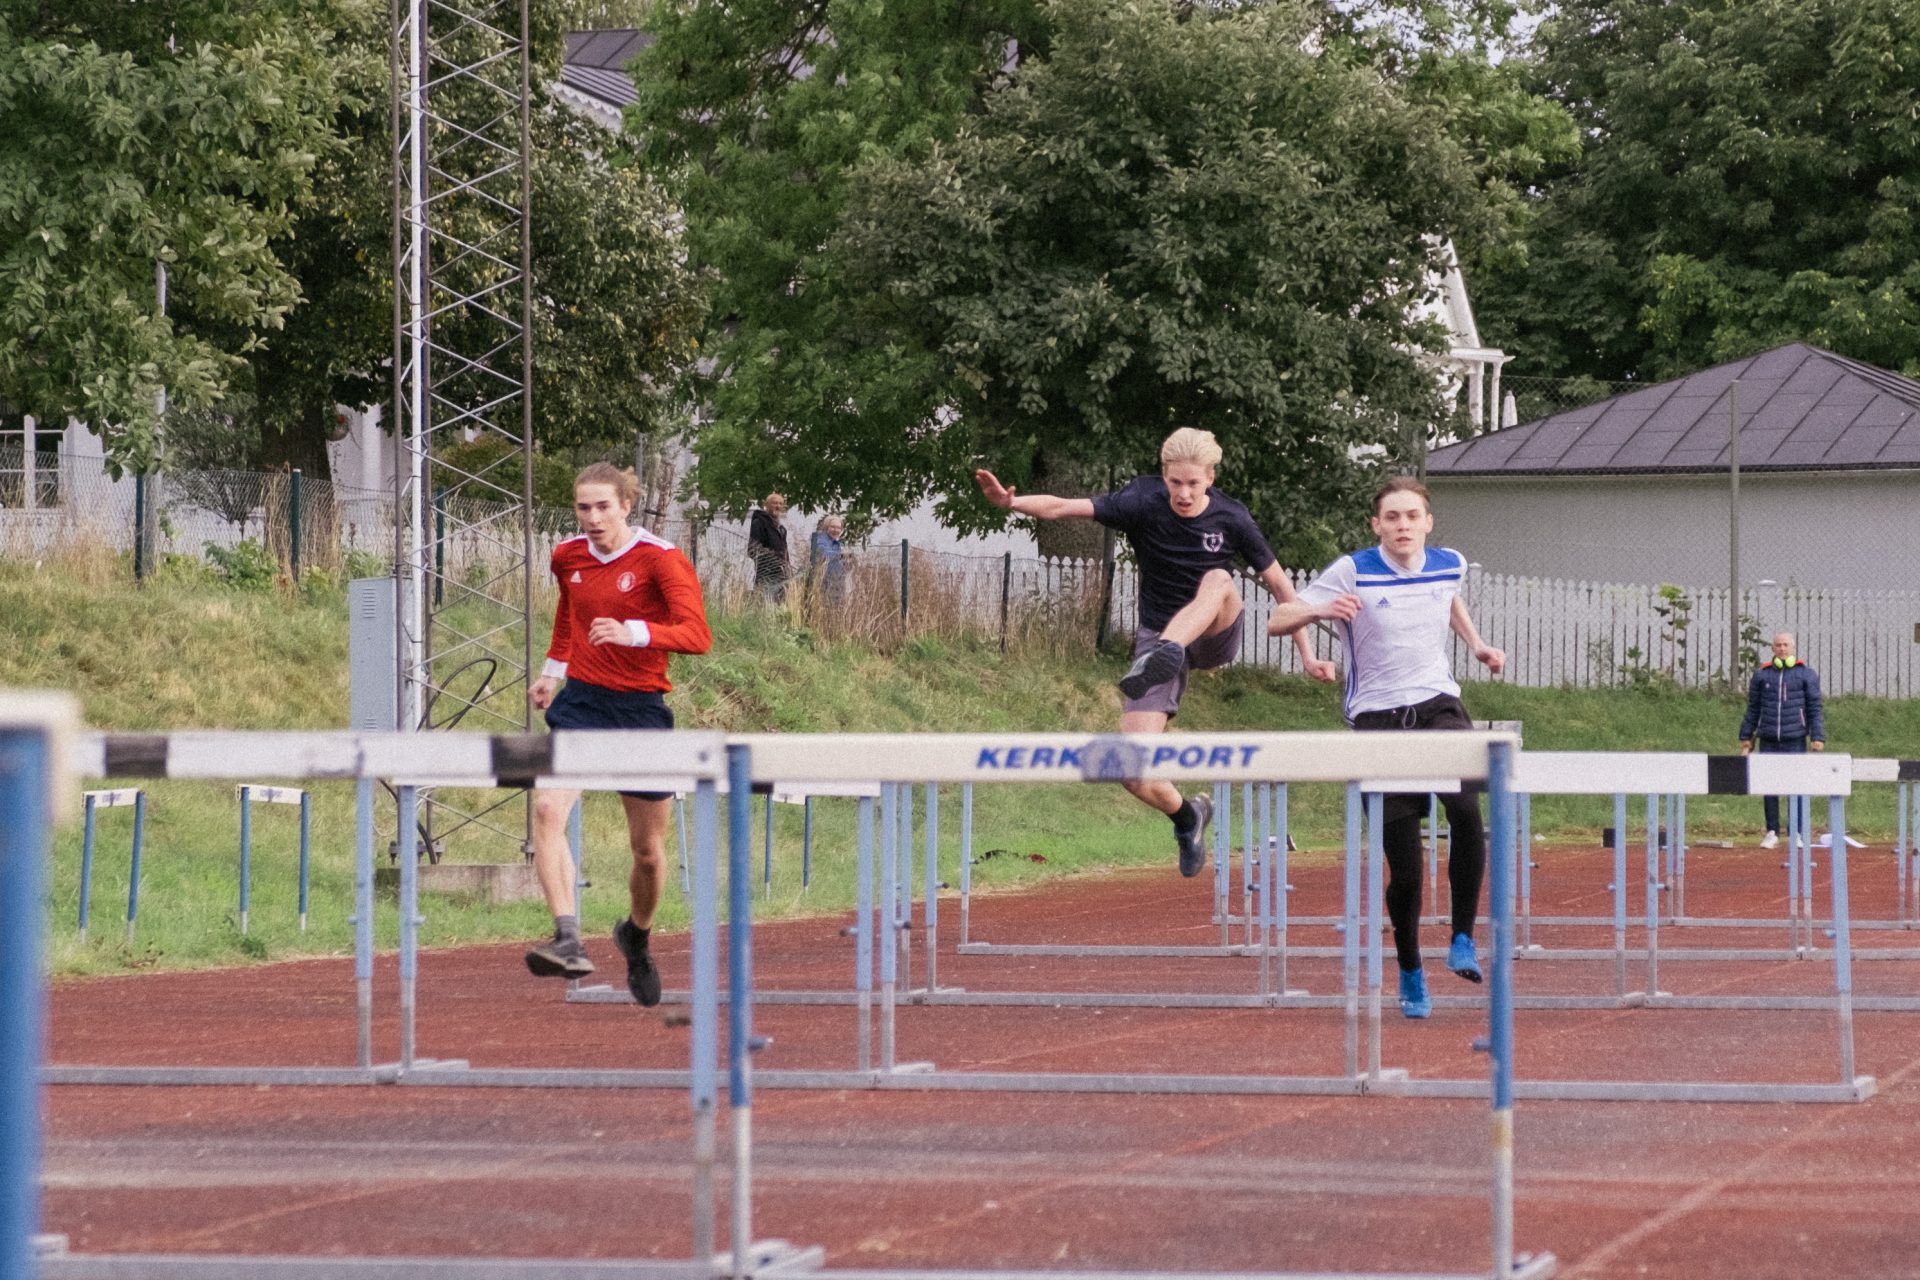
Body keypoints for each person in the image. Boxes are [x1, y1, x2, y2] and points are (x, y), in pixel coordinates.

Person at [974, 428, 1336, 878]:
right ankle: (1188, 816)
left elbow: (1284, 591)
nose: (1183, 494)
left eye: (1194, 484)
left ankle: (1168, 649)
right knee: (1132, 769)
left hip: (1215, 630)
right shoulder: (1141, 500)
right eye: (1175, 483)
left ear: (1210, 478)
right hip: (1158, 639)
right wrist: (1012, 503)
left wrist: (1307, 655)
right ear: (1164, 475)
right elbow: (1067, 508)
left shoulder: (1233, 518)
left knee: (1220, 580)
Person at [1267, 476, 1505, 1020]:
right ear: (1376, 525)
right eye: (1391, 517)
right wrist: (1321, 612)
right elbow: (1278, 618)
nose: (1402, 526)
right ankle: (1410, 965)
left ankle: (1463, 938)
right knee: (1406, 866)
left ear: (1428, 522)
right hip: (1378, 717)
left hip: (1439, 705)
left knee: (1467, 810)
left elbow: (1447, 599)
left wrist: (1477, 645)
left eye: (1411, 516)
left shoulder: (1450, 562)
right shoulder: (1352, 569)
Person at [525, 462, 713, 1007]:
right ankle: (566, 936)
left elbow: (697, 635)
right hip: (581, 702)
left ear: (627, 505)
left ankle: (637, 935)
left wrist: (633, 633)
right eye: (583, 508)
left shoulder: (662, 559)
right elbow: (570, 612)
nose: (593, 518)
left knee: (649, 852)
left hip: (641, 709)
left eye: (603, 506)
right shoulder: (567, 556)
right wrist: (553, 670)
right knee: (546, 812)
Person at [1739, 631, 1825, 849]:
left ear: (1793, 648)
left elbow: (1815, 707)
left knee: (1796, 785)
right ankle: (1772, 831)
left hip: (1794, 737)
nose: (1782, 648)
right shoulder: (1762, 675)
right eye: (1778, 645)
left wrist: (1817, 736)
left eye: (1786, 645)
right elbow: (1753, 708)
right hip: (1768, 737)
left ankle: (1796, 832)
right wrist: (1746, 737)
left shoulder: (1806, 674)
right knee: (1769, 785)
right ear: (1772, 648)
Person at [747, 492, 790, 601]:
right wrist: (775, 562)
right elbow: (752, 550)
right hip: (766, 576)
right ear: (766, 505)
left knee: (779, 610)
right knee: (765, 608)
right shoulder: (759, 523)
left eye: (781, 504)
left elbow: (785, 553)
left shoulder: (781, 529)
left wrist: (787, 569)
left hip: (781, 577)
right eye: (774, 503)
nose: (778, 506)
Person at [810, 514, 849, 607]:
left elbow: (843, 563)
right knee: (824, 608)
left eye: (838, 528)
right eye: (833, 527)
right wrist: (842, 555)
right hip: (824, 583)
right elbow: (824, 554)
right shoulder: (820, 539)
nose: (836, 530)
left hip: (837, 583)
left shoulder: (838, 544)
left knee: (837, 610)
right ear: (826, 527)